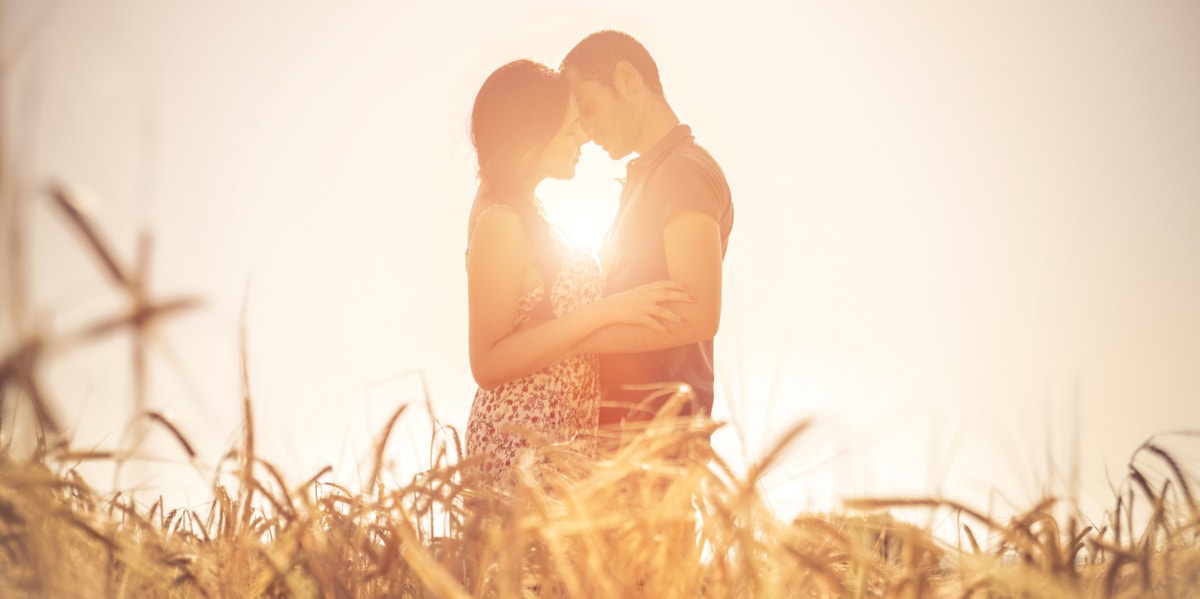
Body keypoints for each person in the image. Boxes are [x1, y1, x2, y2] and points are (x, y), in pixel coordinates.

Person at [463, 59, 693, 494]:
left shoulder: (531, 216)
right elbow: (487, 362)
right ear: (531, 139)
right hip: (520, 443)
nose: (583, 136)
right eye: (570, 129)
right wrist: (605, 312)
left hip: (562, 440)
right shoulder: (500, 222)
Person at [561, 31, 734, 436]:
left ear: (627, 79)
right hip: (621, 439)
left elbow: (698, 313)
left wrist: (566, 341)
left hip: (654, 440)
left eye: (588, 107)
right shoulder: (651, 177)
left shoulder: (681, 170)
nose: (585, 130)